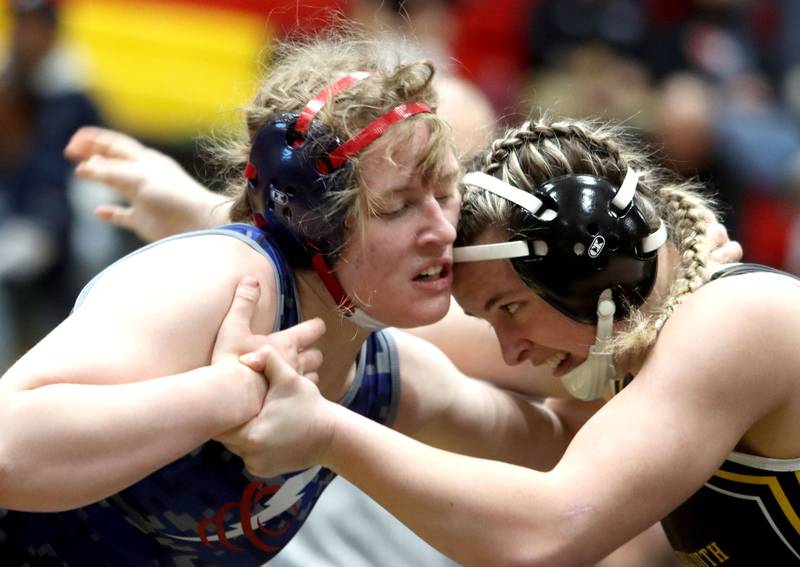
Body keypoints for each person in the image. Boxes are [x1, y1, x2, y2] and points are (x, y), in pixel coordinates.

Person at [0, 31, 575, 566]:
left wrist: (625, 320)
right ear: (311, 222)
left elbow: (564, 456)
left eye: (447, 195)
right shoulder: (225, 282)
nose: (442, 231)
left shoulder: (382, 373)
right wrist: (222, 396)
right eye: (398, 206)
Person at [216, 114, 800, 566]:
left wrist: (327, 434)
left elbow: (547, 533)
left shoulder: (737, 318)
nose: (512, 351)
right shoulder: (657, 345)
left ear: (596, 269)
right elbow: (556, 443)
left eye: (509, 308)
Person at [0, 0, 103, 370]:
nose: (25, 36)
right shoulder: (10, 84)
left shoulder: (74, 95)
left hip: (60, 224)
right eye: (20, 25)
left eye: (34, 26)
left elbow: (85, 167)